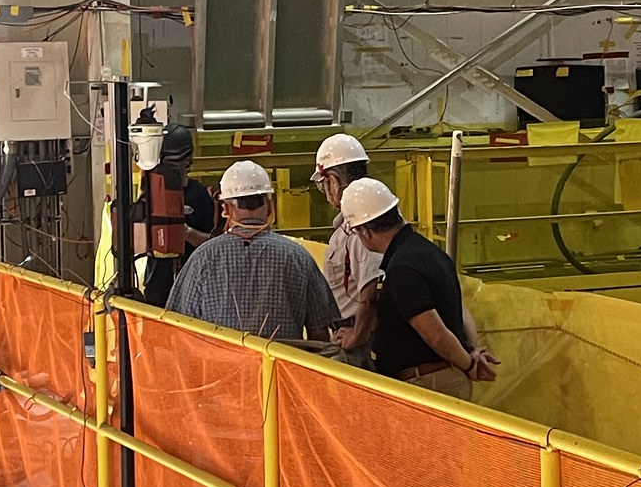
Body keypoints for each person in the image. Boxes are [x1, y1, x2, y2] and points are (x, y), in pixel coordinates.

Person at [340, 178, 498, 400]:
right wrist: (469, 351)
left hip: (427, 384)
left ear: (365, 231)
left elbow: (435, 334)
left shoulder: (403, 267)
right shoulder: (430, 252)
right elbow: (460, 312)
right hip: (440, 379)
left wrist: (470, 364)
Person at [166, 160, 339, 341]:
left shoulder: (203, 258)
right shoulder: (298, 257)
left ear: (226, 209)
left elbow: (181, 327)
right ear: (269, 206)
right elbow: (319, 333)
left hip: (220, 367)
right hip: (279, 369)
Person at [311, 134, 382, 366]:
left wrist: (357, 335)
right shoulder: (359, 220)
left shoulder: (360, 224)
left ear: (332, 180)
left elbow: (371, 287)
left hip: (361, 340)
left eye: (324, 185)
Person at [142, 123, 215, 306]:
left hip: (193, 284)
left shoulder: (200, 197)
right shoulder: (150, 195)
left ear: (188, 162)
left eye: (175, 164)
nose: (170, 171)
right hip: (157, 286)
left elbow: (214, 244)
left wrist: (187, 233)